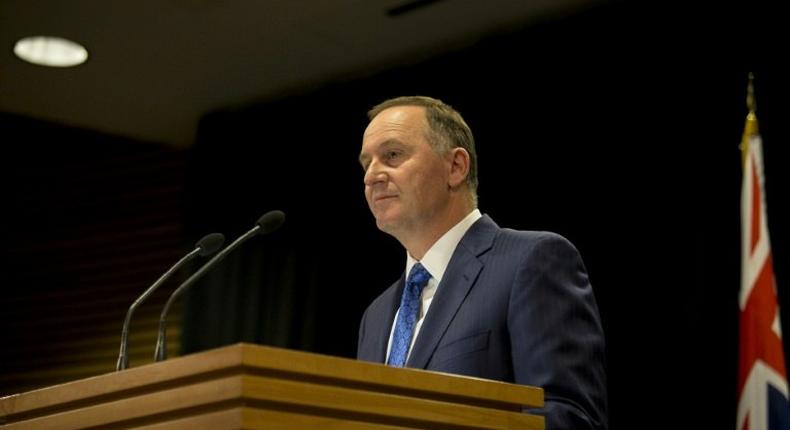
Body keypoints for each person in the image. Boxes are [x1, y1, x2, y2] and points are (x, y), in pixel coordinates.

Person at [356, 96, 607, 429]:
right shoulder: (375, 316)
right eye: (365, 163)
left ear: (456, 167)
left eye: (392, 155)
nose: (371, 176)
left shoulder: (531, 262)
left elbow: (568, 418)